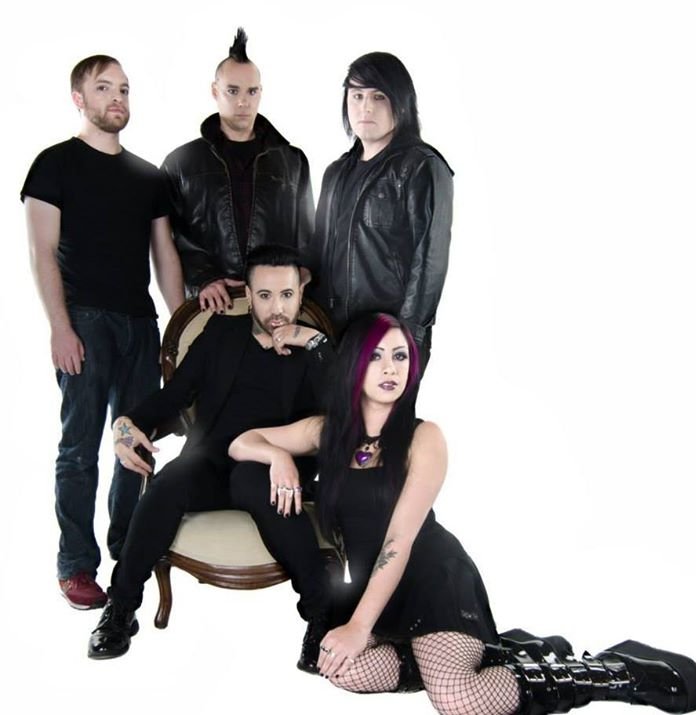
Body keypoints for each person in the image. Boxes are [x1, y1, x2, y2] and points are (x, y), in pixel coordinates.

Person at [228, 313, 696, 715]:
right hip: (376, 587)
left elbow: (399, 540)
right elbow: (241, 443)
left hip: (432, 580)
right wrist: (279, 457)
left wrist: (359, 627)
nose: (390, 368)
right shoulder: (327, 431)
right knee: (337, 665)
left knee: (458, 699)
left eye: (400, 356)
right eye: (376, 356)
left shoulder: (424, 437)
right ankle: (501, 653)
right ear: (354, 364)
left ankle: (612, 672)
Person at [87, 245, 332, 662]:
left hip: (274, 464)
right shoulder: (220, 334)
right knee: (167, 484)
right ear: (248, 295)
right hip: (211, 461)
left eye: (287, 295)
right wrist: (126, 423)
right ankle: (121, 608)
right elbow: (175, 395)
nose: (277, 308)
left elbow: (345, 413)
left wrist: (314, 341)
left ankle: (322, 618)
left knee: (256, 482)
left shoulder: (314, 348)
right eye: (265, 295)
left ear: (300, 293)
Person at [21, 54, 185, 610]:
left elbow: (165, 258)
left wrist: (182, 328)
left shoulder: (148, 176)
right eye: (104, 87)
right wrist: (60, 328)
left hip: (141, 324)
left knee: (136, 447)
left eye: (124, 88)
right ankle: (76, 565)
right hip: (85, 323)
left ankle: (127, 550)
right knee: (80, 448)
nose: (117, 97)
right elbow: (42, 253)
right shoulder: (54, 164)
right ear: (79, 98)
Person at [307, 52, 453, 367]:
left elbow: (430, 262)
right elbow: (317, 253)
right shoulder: (336, 172)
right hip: (331, 332)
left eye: (378, 96)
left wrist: (407, 339)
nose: (366, 107)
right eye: (357, 96)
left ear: (401, 102)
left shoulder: (421, 167)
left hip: (387, 337)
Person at [162, 27, 314, 313]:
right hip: (211, 306)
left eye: (251, 91)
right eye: (232, 91)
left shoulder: (293, 162)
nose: (243, 102)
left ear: (261, 93)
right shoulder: (181, 163)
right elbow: (168, 240)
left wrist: (294, 284)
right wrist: (204, 278)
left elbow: (306, 239)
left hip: (276, 308)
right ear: (215, 91)